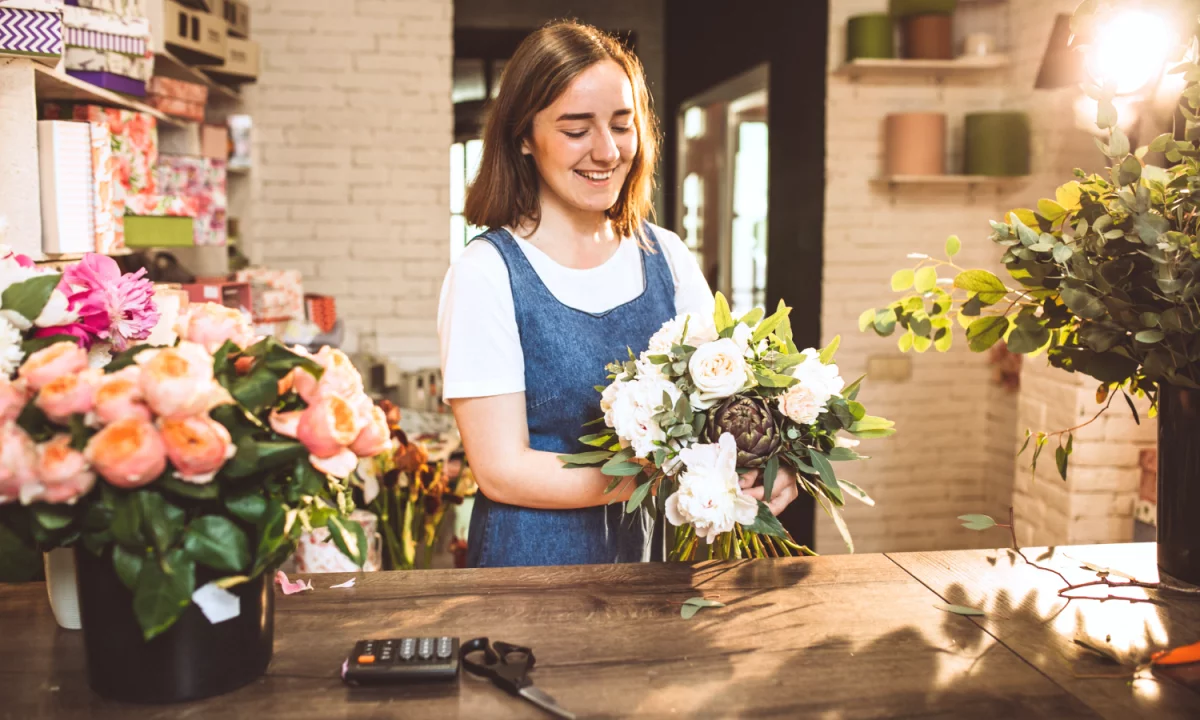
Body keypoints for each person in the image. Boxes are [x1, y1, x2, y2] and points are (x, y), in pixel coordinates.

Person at [437, 21, 798, 568]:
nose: (606, 151)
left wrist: (768, 464)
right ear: (523, 138)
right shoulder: (486, 272)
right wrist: (666, 476)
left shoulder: (667, 256)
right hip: (530, 574)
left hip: (656, 566)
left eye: (622, 125)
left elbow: (729, 407)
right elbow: (501, 470)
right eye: (576, 129)